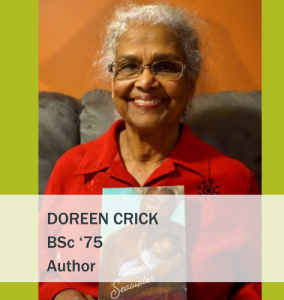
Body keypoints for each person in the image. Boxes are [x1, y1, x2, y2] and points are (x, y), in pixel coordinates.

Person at [39, 3, 261, 300]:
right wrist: (60, 293)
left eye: (165, 66)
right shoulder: (72, 169)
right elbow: (39, 262)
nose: (145, 82)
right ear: (114, 80)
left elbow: (260, 281)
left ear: (191, 83)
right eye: (129, 66)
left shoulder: (234, 181)